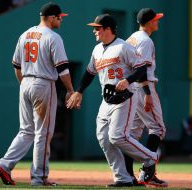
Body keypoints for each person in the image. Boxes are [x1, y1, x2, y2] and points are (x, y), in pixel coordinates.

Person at [67, 14, 158, 187]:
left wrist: (128, 80)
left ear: (108, 29)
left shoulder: (123, 47)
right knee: (103, 137)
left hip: (125, 97)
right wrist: (79, 92)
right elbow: (89, 73)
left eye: (97, 28)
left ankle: (150, 158)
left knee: (117, 136)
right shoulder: (97, 49)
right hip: (107, 98)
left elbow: (142, 69)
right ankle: (122, 178)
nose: (94, 31)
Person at [0, 2, 74, 186]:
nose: (61, 20)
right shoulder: (53, 37)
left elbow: (16, 66)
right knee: (43, 133)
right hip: (43, 83)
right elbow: (62, 69)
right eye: (60, 17)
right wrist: (70, 90)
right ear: (52, 17)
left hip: (26, 83)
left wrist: (25, 85)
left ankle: (5, 164)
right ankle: (39, 177)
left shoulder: (25, 34)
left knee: (26, 130)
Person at [124, 8, 167, 187]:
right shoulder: (146, 41)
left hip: (130, 88)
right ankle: (147, 171)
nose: (157, 21)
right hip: (143, 87)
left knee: (131, 135)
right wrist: (148, 94)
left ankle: (127, 176)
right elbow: (141, 70)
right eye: (155, 19)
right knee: (157, 128)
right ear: (149, 22)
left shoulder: (131, 38)